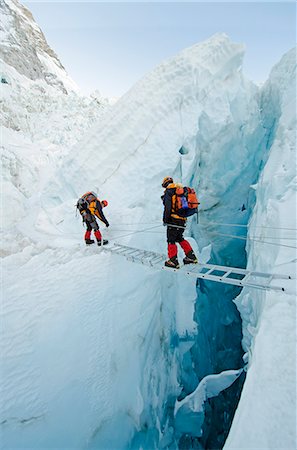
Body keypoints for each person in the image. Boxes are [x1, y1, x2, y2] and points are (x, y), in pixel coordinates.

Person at [162, 176, 198, 269]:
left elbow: (168, 207)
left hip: (173, 220)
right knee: (180, 238)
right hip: (182, 220)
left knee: (171, 240)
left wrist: (166, 220)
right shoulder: (181, 190)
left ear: (165, 184)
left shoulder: (169, 191)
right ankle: (190, 256)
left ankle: (173, 261)